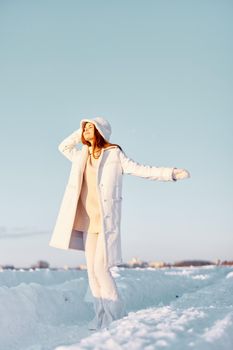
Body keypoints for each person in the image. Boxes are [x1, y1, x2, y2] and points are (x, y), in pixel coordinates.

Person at [49, 116, 190, 331]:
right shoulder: (81, 155)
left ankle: (116, 316)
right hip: (86, 222)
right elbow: (63, 146)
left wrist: (170, 173)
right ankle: (100, 317)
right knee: (92, 273)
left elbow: (142, 169)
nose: (86, 130)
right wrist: (81, 134)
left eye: (90, 127)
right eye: (84, 128)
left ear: (100, 130)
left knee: (101, 269)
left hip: (104, 222)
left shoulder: (114, 154)